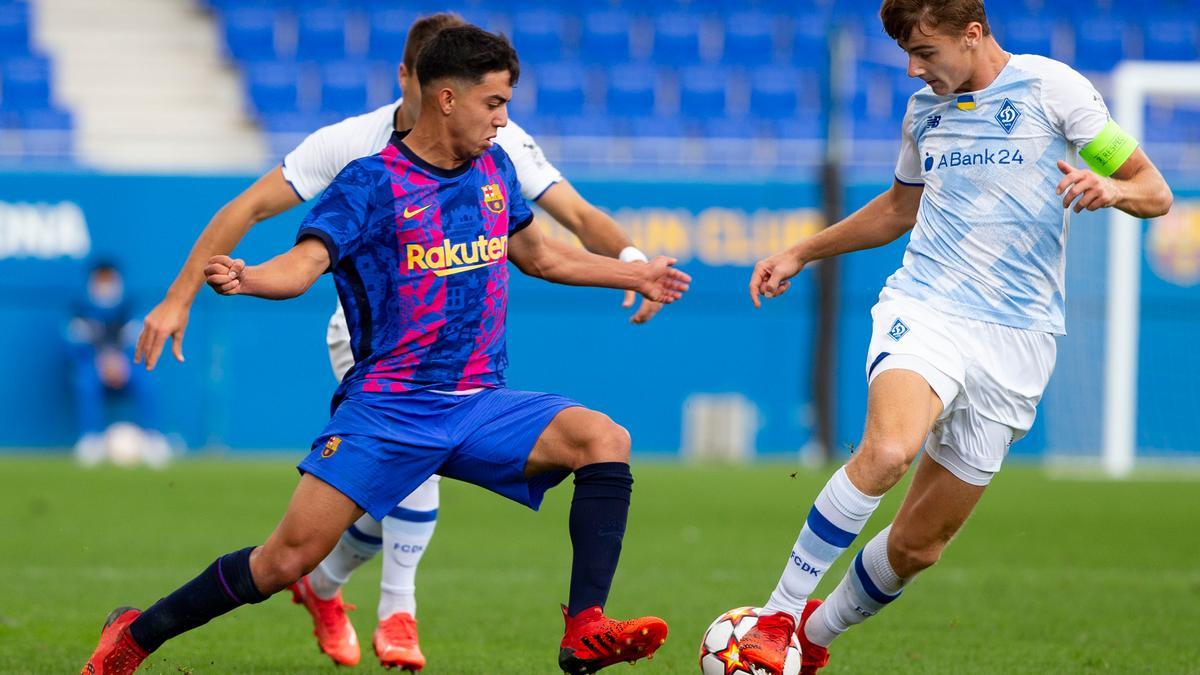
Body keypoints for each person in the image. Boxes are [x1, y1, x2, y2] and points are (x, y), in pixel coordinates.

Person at [82, 26, 687, 675]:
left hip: (480, 401)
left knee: (603, 438)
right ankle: (135, 633)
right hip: (390, 408)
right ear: (447, 98)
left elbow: (540, 253)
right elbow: (304, 262)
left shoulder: (495, 167)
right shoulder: (371, 180)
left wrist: (635, 272)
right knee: (284, 559)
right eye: (494, 102)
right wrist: (250, 277)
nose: (504, 118)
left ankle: (585, 627)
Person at [735, 1, 1173, 673]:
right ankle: (774, 617)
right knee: (886, 450)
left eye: (926, 52)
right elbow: (898, 209)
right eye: (908, 55)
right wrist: (801, 252)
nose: (915, 69)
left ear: (973, 34)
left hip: (1019, 338)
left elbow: (1154, 189)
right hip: (927, 307)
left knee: (917, 546)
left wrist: (1110, 189)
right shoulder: (923, 112)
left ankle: (812, 638)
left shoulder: (1056, 91)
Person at [67, 261, 167, 467]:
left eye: (109, 279)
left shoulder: (128, 307)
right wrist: (102, 360)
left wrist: (119, 361)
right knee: (85, 381)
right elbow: (74, 344)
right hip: (93, 365)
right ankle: (91, 439)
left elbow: (137, 340)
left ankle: (151, 438)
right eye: (100, 279)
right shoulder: (79, 309)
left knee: (147, 380)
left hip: (126, 365)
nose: (105, 285)